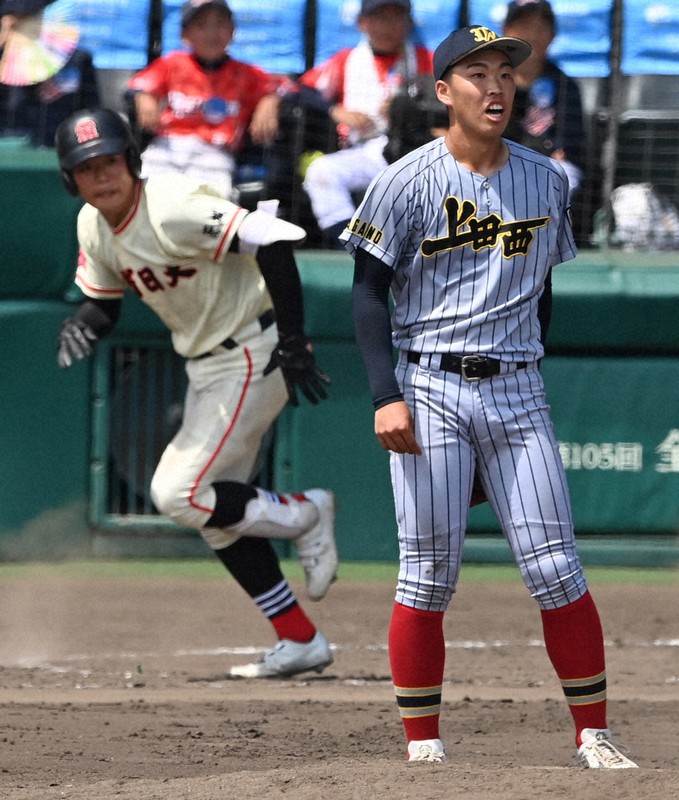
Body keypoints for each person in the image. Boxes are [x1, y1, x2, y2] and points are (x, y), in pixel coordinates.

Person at [343, 25, 638, 768]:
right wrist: (386, 394)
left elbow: (540, 291)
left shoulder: (547, 179)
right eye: (475, 73)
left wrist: (523, 365)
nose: (495, 85)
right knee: (428, 570)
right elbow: (367, 294)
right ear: (443, 91)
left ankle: (592, 734)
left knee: (554, 566)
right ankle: (423, 745)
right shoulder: (405, 179)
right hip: (429, 382)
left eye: (504, 70)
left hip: (516, 389)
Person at [54, 107, 338, 679]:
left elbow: (272, 239)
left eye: (110, 160)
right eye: (87, 168)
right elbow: (104, 300)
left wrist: (295, 341)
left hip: (253, 348)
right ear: (71, 179)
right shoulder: (93, 224)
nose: (102, 175)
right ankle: (299, 638)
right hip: (210, 363)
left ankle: (305, 513)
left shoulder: (172, 205)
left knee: (177, 493)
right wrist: (85, 322)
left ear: (131, 160)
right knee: (214, 510)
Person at [297, 0, 433, 247]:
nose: (387, 26)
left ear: (409, 22)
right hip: (367, 151)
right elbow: (304, 89)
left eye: (395, 17)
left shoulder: (428, 60)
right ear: (362, 22)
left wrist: (405, 109)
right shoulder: (346, 59)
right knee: (321, 171)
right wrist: (336, 110)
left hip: (415, 154)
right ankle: (356, 245)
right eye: (380, 17)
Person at [127, 0, 284, 200]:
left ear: (232, 31)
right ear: (185, 35)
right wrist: (144, 97)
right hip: (167, 146)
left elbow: (287, 88)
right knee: (142, 194)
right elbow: (136, 86)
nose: (212, 33)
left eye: (220, 24)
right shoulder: (172, 63)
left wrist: (269, 101)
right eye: (201, 26)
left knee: (213, 202)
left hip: (214, 152)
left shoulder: (247, 72)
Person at [501, 0, 585, 202]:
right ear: (506, 31)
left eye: (541, 27)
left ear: (553, 35)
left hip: (546, 166)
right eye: (524, 26)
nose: (532, 34)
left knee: (561, 178)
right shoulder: (493, 80)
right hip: (498, 161)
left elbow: (568, 147)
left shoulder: (565, 85)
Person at [0, 0, 99, 147]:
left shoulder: (79, 61)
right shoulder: (4, 65)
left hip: (59, 152)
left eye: (32, 17)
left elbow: (90, 118)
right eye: (15, 25)